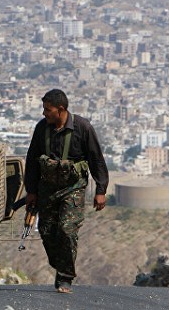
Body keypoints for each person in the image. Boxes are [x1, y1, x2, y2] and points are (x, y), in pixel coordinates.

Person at [24, 89, 108, 293]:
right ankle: (61, 265)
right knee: (46, 231)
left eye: (48, 109)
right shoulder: (42, 129)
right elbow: (32, 160)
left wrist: (101, 189)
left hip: (73, 188)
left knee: (67, 229)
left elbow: (96, 158)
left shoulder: (82, 128)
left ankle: (65, 277)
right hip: (47, 189)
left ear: (60, 109)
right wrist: (31, 191)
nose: (44, 113)